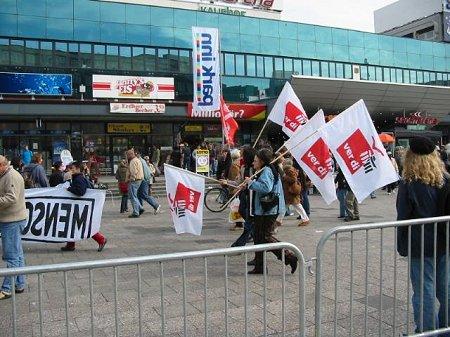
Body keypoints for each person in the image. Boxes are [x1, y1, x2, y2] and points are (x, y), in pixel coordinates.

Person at [396, 136, 450, 334]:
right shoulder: (445, 179)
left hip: (419, 243)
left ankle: (426, 331)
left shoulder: (409, 182)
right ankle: (446, 328)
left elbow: (402, 215)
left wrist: (402, 244)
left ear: (411, 157)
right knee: (445, 287)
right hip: (443, 241)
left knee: (423, 289)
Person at [243, 149, 298, 275]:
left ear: (262, 161)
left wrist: (251, 183)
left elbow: (266, 188)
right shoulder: (265, 169)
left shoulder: (267, 170)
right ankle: (259, 265)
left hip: (267, 210)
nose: (253, 162)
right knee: (258, 238)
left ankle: (290, 257)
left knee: (265, 237)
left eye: (255, 160)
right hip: (263, 209)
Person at [61, 161, 107, 252]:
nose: (70, 170)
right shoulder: (77, 178)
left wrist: (69, 189)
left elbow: (80, 192)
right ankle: (70, 245)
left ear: (78, 169)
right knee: (73, 225)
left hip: (80, 207)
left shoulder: (79, 179)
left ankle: (101, 239)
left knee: (83, 225)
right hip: (78, 206)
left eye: (72, 168)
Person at [0, 155, 27, 299]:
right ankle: (19, 283)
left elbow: (11, 198)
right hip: (12, 219)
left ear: (2, 166)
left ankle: (7, 288)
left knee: (11, 255)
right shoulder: (6, 174)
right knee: (17, 254)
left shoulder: (10, 176)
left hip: (12, 220)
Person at [230, 146, 256, 247]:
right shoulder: (243, 168)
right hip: (245, 196)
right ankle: (253, 233)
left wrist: (250, 183)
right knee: (242, 211)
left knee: (249, 223)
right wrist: (227, 182)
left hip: (253, 198)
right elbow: (238, 182)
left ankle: (239, 244)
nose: (241, 157)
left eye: (242, 155)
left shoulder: (256, 169)